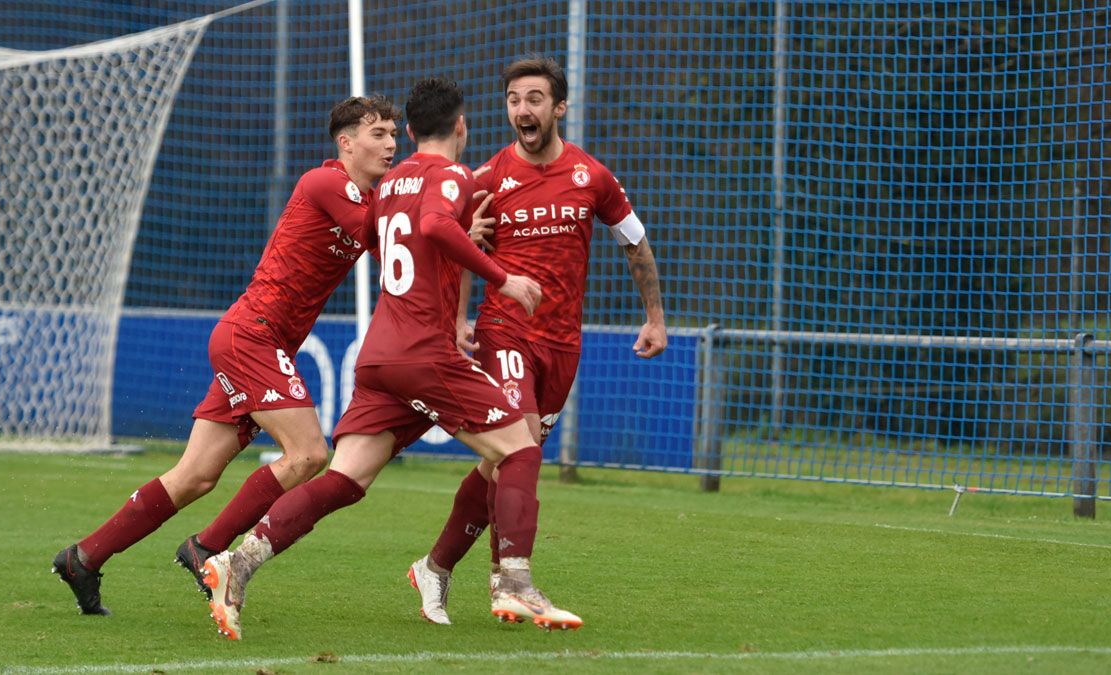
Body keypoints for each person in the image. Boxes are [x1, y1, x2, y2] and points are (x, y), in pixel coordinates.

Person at [199, 77, 582, 641]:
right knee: (519, 451)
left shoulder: (390, 184)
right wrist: (503, 276)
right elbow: (431, 226)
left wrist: (459, 239)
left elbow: (419, 239)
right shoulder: (449, 175)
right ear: (460, 126)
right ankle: (515, 585)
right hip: (423, 356)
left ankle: (236, 564)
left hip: (380, 356)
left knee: (346, 479)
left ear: (406, 131)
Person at [50, 96, 400, 616]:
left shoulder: (372, 198)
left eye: (395, 133)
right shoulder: (325, 183)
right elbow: (383, 238)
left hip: (257, 342)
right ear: (345, 143)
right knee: (308, 454)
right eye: (378, 134)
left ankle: (84, 557)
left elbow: (390, 228)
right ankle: (207, 548)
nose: (391, 144)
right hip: (251, 337)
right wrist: (442, 222)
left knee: (195, 476)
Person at [405, 55, 667, 625]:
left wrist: (654, 317)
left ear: (559, 107)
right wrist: (454, 319)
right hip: (505, 332)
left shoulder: (591, 176)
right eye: (513, 100)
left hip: (562, 346)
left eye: (534, 99)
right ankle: (513, 581)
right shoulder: (487, 177)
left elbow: (634, 242)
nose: (522, 110)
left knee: (503, 464)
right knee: (521, 449)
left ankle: (436, 566)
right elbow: (440, 238)